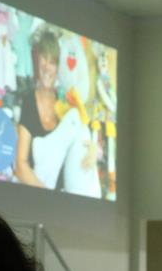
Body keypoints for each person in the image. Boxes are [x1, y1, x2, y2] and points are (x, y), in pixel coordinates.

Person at [15, 30, 100, 196]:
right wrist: (48, 196)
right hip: (40, 195)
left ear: (59, 66)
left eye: (53, 61)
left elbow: (84, 136)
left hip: (69, 195)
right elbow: (20, 165)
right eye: (44, 59)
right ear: (36, 59)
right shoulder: (29, 101)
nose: (47, 67)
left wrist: (93, 151)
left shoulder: (67, 102)